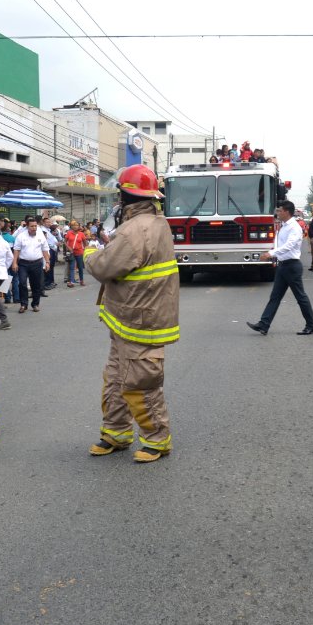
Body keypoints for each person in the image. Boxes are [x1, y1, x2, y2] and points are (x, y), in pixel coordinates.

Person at [84, 164, 180, 463]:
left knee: (140, 381)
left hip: (140, 318)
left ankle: (157, 439)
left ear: (125, 195)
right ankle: (116, 432)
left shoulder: (135, 229)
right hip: (130, 317)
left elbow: (104, 267)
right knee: (115, 378)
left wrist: (90, 253)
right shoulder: (154, 221)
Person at [247, 200, 313, 336]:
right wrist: (274, 254)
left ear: (286, 212)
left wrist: (271, 254)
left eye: (279, 210)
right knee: (275, 297)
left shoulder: (294, 227)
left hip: (292, 266)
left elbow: (289, 246)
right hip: (283, 265)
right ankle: (264, 324)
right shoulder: (283, 226)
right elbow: (279, 245)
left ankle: (311, 324)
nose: (277, 213)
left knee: (300, 297)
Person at [10, 217, 50, 313]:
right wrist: (14, 263)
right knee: (22, 283)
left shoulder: (40, 236)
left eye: (35, 226)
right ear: (27, 226)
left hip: (37, 263)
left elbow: (45, 250)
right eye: (32, 226)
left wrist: (47, 262)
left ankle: (35, 304)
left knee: (36, 285)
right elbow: (16, 250)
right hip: (23, 263)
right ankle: (23, 304)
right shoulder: (21, 236)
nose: (34, 228)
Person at [64, 220, 87, 287]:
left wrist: (84, 250)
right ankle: (71, 282)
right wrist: (68, 248)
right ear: (71, 226)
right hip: (71, 253)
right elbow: (65, 242)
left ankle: (81, 280)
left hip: (79, 252)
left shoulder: (81, 234)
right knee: (72, 267)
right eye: (73, 225)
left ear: (79, 226)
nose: (75, 227)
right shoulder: (69, 233)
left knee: (80, 267)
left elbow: (85, 243)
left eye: (76, 225)